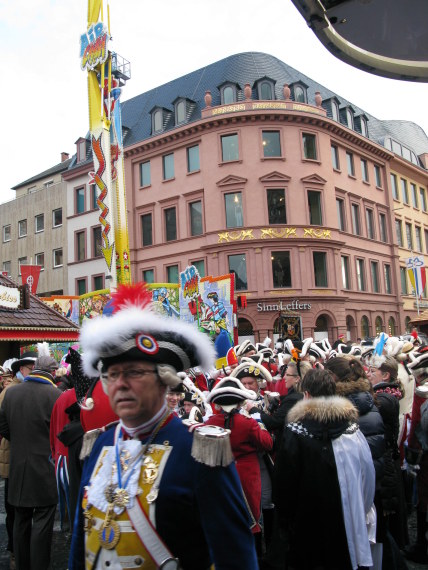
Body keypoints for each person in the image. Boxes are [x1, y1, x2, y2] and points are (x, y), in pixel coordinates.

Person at [69, 282, 258, 570]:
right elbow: (80, 549)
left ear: (164, 379)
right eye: (111, 374)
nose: (120, 384)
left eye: (133, 372)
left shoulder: (200, 452)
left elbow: (235, 557)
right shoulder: (99, 446)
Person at [274, 369, 376, 570]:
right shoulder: (352, 430)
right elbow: (367, 475)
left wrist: (286, 522)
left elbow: (284, 484)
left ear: (307, 395)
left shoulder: (295, 432)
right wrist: (360, 509)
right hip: (347, 519)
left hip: (306, 522)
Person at [0, 351, 61, 570]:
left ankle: (21, 564)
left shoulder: (11, 393)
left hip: (17, 468)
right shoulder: (55, 396)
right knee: (43, 523)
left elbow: (4, 429)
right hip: (45, 468)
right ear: (51, 372)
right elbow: (60, 433)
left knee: (20, 520)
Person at [205, 376, 273, 556]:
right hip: (247, 475)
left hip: (221, 474)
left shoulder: (209, 423)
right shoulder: (248, 423)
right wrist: (261, 425)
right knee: (252, 518)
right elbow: (267, 443)